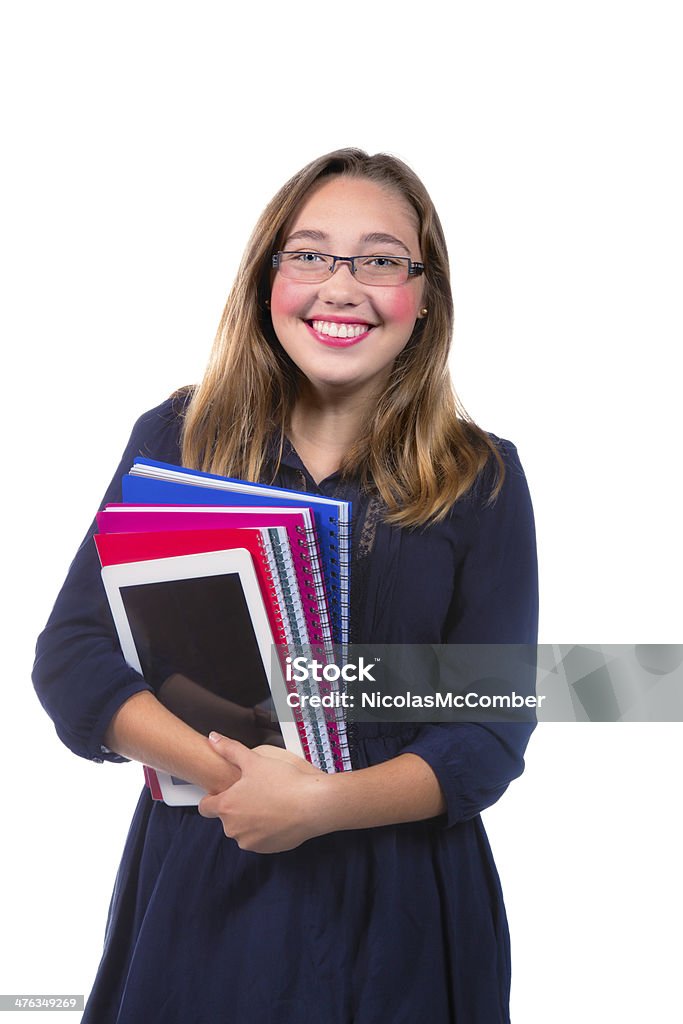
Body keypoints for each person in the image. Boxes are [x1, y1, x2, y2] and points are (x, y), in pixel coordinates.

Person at [33, 148, 538, 1023]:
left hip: (408, 906)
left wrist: (324, 804)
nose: (340, 287)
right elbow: (74, 657)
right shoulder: (177, 438)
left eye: (380, 260)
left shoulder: (479, 476)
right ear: (268, 278)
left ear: (424, 298)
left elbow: (489, 727)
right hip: (206, 881)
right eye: (309, 254)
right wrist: (239, 783)